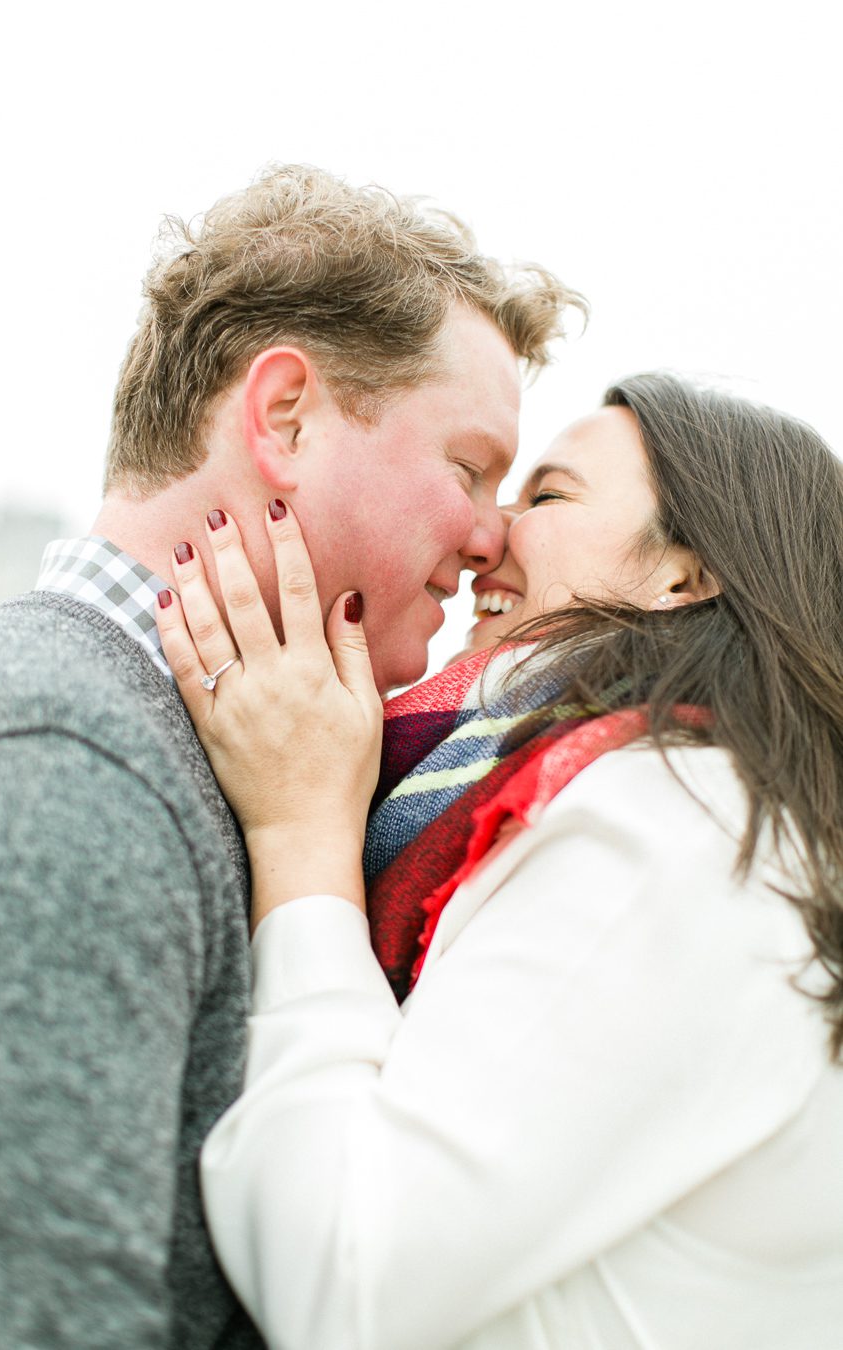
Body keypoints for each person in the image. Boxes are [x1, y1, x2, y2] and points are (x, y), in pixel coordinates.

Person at [0, 165, 580, 1348]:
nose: (494, 538)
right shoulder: (59, 756)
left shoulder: (232, 764)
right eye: (469, 468)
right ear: (283, 416)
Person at [155, 372, 843, 1349]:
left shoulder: (674, 823)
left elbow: (348, 1285)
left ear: (685, 577)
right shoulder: (666, 803)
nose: (488, 534)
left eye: (548, 495)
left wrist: (302, 835)